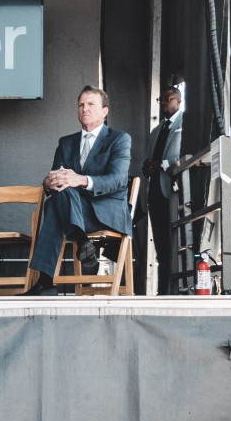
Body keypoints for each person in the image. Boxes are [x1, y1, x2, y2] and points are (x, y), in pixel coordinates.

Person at [21, 86, 133, 295]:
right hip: (72, 209)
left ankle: (45, 283)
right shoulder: (66, 142)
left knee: (55, 204)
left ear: (105, 111)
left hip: (104, 210)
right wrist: (48, 182)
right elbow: (57, 178)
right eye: (81, 104)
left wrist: (80, 180)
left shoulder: (119, 139)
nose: (85, 108)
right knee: (57, 197)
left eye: (91, 104)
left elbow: (117, 180)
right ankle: (82, 242)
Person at [134, 86, 183, 295]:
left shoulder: (185, 125)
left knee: (174, 244)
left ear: (178, 101)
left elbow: (184, 156)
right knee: (161, 247)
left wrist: (161, 164)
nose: (163, 103)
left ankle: (173, 291)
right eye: (160, 99)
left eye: (167, 99)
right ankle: (162, 291)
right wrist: (147, 166)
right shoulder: (156, 131)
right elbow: (149, 159)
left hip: (173, 192)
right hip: (154, 192)